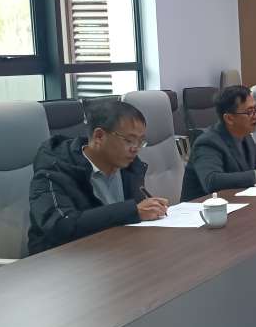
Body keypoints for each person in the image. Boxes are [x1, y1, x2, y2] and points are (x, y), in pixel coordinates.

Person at [28, 99, 170, 254]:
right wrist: (132, 211)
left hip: (114, 251)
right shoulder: (54, 169)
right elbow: (61, 225)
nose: (135, 149)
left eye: (141, 141)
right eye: (129, 140)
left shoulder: (129, 165)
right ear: (99, 136)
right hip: (60, 260)